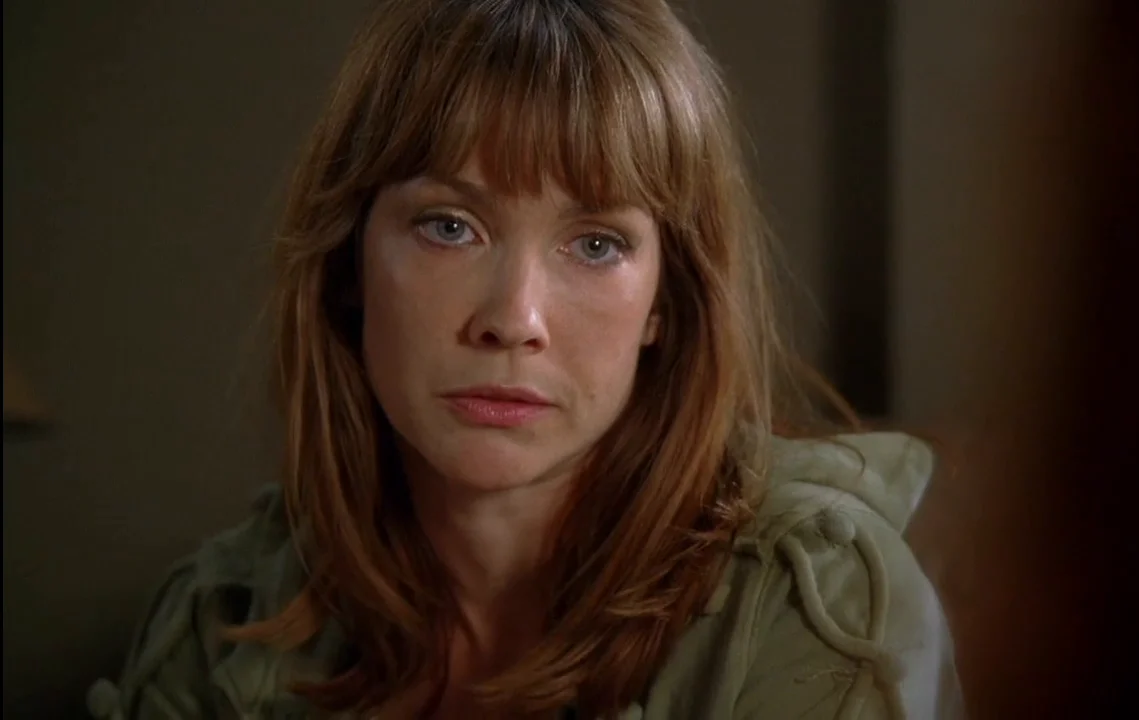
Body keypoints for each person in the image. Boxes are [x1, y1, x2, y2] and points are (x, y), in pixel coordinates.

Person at [87, 0, 963, 717]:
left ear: (665, 301)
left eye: (595, 244)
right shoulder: (226, 615)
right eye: (449, 227)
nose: (514, 320)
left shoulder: (816, 608)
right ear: (350, 261)